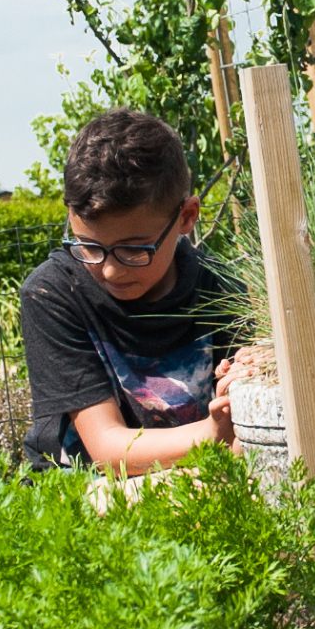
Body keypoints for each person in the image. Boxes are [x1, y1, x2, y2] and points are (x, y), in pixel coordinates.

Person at [19, 107, 242, 473]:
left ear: (187, 217)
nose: (109, 269)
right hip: (81, 488)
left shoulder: (222, 289)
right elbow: (107, 449)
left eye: (133, 249)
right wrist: (211, 434)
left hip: (195, 471)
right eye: (88, 246)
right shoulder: (52, 294)